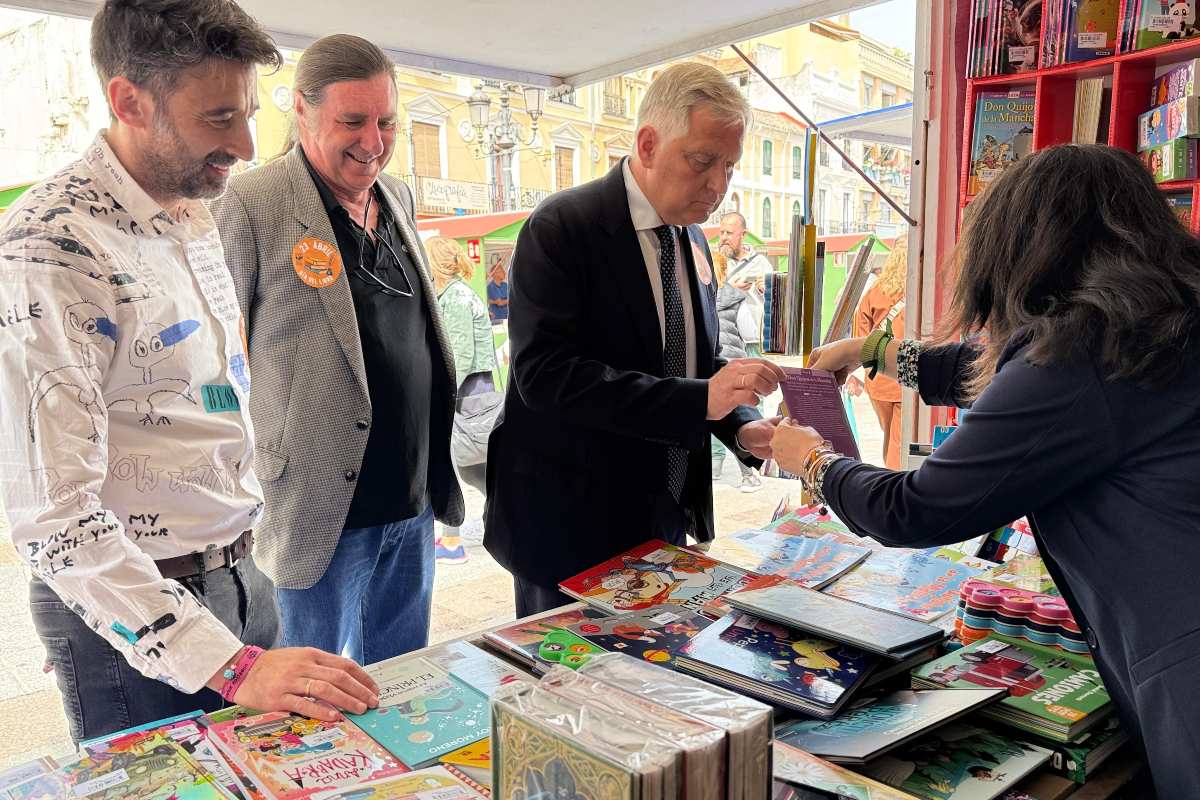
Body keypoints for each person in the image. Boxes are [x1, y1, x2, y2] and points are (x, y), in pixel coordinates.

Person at [0, 0, 378, 742]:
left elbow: (210, 394)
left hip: (242, 572)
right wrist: (227, 664)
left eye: (247, 114)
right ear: (127, 101)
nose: (243, 144)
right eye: (216, 119)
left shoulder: (194, 212)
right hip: (146, 600)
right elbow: (54, 519)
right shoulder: (49, 248)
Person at [771, 144, 1200, 797]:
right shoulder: (1160, 317)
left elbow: (914, 508)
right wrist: (873, 350)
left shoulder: (1087, 345)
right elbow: (996, 376)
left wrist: (813, 462)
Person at [485, 63, 786, 617]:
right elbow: (546, 376)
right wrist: (702, 399)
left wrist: (744, 426)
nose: (719, 185)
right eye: (702, 162)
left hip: (662, 516)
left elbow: (693, 356)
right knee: (567, 693)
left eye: (729, 166)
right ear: (648, 144)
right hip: (572, 527)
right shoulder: (562, 228)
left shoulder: (692, 236)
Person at [211, 35, 463, 666]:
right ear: (301, 109)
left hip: (412, 496)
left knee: (403, 679)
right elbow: (214, 355)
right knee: (310, 695)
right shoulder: (251, 204)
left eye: (387, 122)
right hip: (322, 508)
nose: (372, 142)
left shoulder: (397, 197)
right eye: (352, 121)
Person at [425, 236, 499, 565]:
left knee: (457, 464)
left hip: (468, 393)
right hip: (477, 390)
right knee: (478, 469)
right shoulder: (455, 293)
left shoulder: (454, 297)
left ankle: (453, 542)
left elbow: (459, 354)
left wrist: (440, 396)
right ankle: (498, 521)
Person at [848, 234, 908, 469]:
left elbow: (861, 335)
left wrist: (861, 373)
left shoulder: (876, 289)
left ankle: (889, 477)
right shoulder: (921, 289)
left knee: (888, 437)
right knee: (899, 442)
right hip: (905, 376)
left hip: (878, 377)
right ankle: (895, 486)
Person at [711, 250, 763, 491]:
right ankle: (748, 475)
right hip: (735, 364)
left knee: (716, 416)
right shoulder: (735, 298)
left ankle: (715, 468)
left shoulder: (706, 299)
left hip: (716, 370)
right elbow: (751, 332)